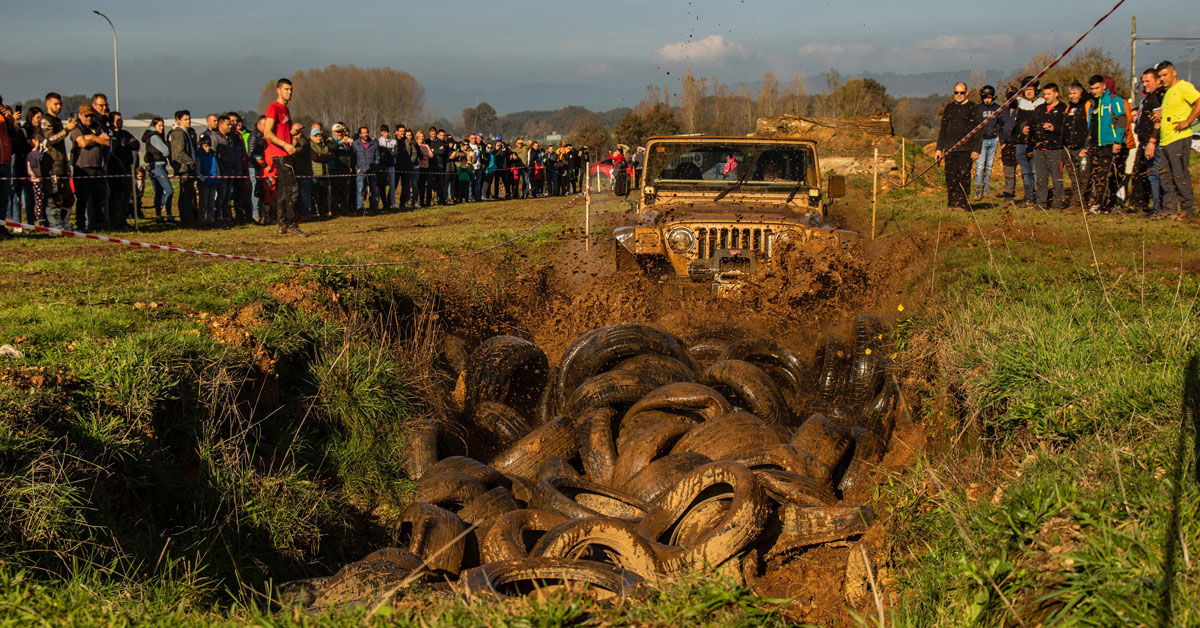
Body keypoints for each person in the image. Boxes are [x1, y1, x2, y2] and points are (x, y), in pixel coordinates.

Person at [1154, 60, 1200, 221]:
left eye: (1165, 75)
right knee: (1165, 176)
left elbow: (1199, 102)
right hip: (1165, 141)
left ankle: (1188, 209)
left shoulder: (1184, 87)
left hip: (1179, 139)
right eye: (1160, 76)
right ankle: (1170, 208)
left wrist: (1188, 122)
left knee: (1180, 175)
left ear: (1174, 72)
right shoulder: (1167, 92)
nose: (1162, 79)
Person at [262, 78, 303, 235]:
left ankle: (283, 224)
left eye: (291, 89)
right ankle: (291, 223)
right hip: (280, 154)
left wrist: (290, 135)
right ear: (278, 90)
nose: (289, 92)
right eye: (286, 89)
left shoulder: (286, 110)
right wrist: (284, 144)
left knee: (284, 190)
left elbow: (281, 131)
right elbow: (267, 133)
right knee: (293, 188)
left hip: (286, 153)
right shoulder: (273, 108)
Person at [1083, 75, 1127, 214]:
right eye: (1092, 89)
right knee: (1092, 175)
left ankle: (1101, 204)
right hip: (1094, 143)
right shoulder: (1092, 103)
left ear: (1103, 86)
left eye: (1097, 88)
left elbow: (1122, 118)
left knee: (1104, 175)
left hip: (1109, 143)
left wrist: (1118, 140)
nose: (1094, 91)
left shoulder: (1114, 99)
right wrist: (1086, 144)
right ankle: (1092, 201)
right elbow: (1091, 124)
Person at [935, 82, 982, 210]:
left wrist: (977, 149)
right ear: (953, 93)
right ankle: (952, 202)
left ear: (967, 92)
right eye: (956, 92)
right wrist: (939, 148)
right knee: (950, 176)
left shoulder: (973, 108)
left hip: (966, 149)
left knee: (963, 175)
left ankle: (962, 203)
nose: (959, 95)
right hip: (950, 149)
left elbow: (979, 130)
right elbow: (943, 129)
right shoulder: (949, 108)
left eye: (962, 92)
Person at [37, 93, 76, 230]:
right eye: (56, 104)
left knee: (68, 198)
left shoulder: (57, 121)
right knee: (54, 198)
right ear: (48, 104)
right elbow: (51, 140)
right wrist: (66, 130)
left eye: (60, 104)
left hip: (62, 165)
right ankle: (55, 227)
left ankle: (65, 225)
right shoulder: (45, 121)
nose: (59, 107)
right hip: (51, 166)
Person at [69, 104, 110, 231]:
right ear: (80, 115)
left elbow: (107, 141)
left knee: (99, 199)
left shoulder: (97, 127)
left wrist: (91, 138)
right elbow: (82, 142)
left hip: (97, 167)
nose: (89, 118)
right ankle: (81, 225)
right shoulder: (77, 128)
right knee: (82, 200)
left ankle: (97, 224)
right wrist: (96, 139)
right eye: (86, 116)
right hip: (82, 168)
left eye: (91, 116)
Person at [1130, 70, 1165, 216]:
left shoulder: (1157, 98)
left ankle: (1158, 208)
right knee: (1147, 175)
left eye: (1148, 81)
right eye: (1143, 82)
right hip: (1144, 141)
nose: (1145, 85)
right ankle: (1151, 205)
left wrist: (1152, 141)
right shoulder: (1148, 97)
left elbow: (1159, 119)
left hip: (1153, 143)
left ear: (1157, 81)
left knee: (1155, 174)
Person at [1028, 83, 1066, 210]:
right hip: (1039, 149)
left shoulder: (1063, 109)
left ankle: (1058, 203)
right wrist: (1025, 128)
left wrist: (1054, 128)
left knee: (1057, 178)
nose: (1046, 97)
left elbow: (1067, 129)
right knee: (1041, 178)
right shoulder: (1039, 109)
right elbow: (1031, 123)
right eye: (1044, 94)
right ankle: (1041, 202)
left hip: (1055, 149)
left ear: (1056, 94)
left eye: (1049, 94)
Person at [1013, 77, 1044, 205]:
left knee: (1036, 171)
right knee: (1025, 173)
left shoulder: (1041, 103)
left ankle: (1040, 197)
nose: (1029, 92)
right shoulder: (1020, 102)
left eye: (1031, 89)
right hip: (1021, 142)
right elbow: (1011, 101)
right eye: (1027, 90)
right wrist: (1010, 92)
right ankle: (1028, 197)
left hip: (1035, 143)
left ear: (1036, 90)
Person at [106, 112, 138, 227]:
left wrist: (125, 145)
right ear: (112, 122)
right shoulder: (109, 133)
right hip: (114, 170)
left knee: (125, 196)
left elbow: (136, 144)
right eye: (118, 120)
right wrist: (121, 145)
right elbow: (113, 148)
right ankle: (114, 220)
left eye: (121, 120)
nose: (121, 122)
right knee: (115, 197)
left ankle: (122, 219)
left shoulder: (125, 134)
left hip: (126, 169)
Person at [1061, 83, 1091, 206]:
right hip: (1068, 148)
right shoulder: (1069, 108)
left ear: (1080, 92)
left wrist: (1086, 146)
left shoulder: (1087, 105)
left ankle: (1083, 200)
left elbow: (1090, 126)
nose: (1072, 96)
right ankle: (1076, 200)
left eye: (1074, 93)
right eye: (1070, 93)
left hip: (1082, 148)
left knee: (1084, 176)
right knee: (1073, 177)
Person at [169, 110, 198, 225]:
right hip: (184, 168)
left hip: (188, 167)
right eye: (185, 119)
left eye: (189, 119)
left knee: (189, 193)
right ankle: (186, 218)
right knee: (186, 194)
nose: (188, 121)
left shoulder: (186, 132)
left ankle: (189, 217)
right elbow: (179, 152)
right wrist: (190, 162)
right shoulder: (179, 133)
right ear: (178, 120)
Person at [972, 85, 1001, 200]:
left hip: (994, 140)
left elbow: (1001, 122)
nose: (987, 100)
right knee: (980, 166)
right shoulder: (978, 108)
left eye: (989, 97)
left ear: (993, 97)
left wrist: (999, 136)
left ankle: (987, 189)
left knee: (989, 166)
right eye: (985, 97)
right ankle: (978, 191)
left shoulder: (998, 108)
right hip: (981, 141)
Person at [142, 118, 174, 220]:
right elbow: (166, 151)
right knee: (169, 190)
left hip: (153, 166)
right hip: (158, 166)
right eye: (160, 125)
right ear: (154, 126)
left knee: (159, 192)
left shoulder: (150, 136)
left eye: (163, 125)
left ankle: (158, 216)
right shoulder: (155, 137)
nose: (162, 128)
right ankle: (168, 214)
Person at [998, 87, 1019, 199]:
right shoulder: (1003, 111)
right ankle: (1009, 193)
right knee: (1008, 170)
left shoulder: (1021, 110)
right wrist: (1002, 142)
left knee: (1027, 171)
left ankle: (1030, 194)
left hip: (1019, 144)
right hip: (1007, 144)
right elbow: (999, 127)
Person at [352, 126, 380, 212]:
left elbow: (377, 156)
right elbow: (353, 157)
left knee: (373, 189)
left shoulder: (373, 144)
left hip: (371, 170)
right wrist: (357, 168)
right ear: (360, 134)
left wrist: (375, 166)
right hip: (361, 171)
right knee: (360, 189)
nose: (365, 134)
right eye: (363, 133)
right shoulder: (355, 144)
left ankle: (374, 207)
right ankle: (360, 207)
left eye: (366, 132)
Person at [309, 127, 332, 218]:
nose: (318, 138)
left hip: (325, 173)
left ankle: (323, 212)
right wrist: (325, 156)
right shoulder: (310, 146)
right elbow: (315, 157)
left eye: (320, 136)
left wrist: (321, 156)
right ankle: (313, 213)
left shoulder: (325, 145)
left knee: (323, 195)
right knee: (313, 195)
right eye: (316, 136)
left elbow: (332, 156)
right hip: (314, 174)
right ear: (311, 137)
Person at [195, 135, 218, 225]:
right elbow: (198, 169)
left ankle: (211, 219)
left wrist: (217, 177)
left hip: (213, 181)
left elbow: (215, 167)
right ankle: (202, 219)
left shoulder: (212, 154)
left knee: (211, 202)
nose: (208, 148)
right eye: (205, 146)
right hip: (204, 182)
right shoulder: (199, 156)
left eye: (209, 146)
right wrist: (202, 178)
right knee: (203, 202)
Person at [377, 125, 396, 209]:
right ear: (381, 132)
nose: (386, 134)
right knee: (381, 185)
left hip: (391, 165)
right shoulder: (378, 141)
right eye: (384, 132)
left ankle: (393, 203)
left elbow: (395, 153)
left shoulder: (394, 141)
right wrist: (389, 152)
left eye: (387, 132)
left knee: (392, 185)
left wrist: (386, 153)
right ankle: (377, 203)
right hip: (382, 166)